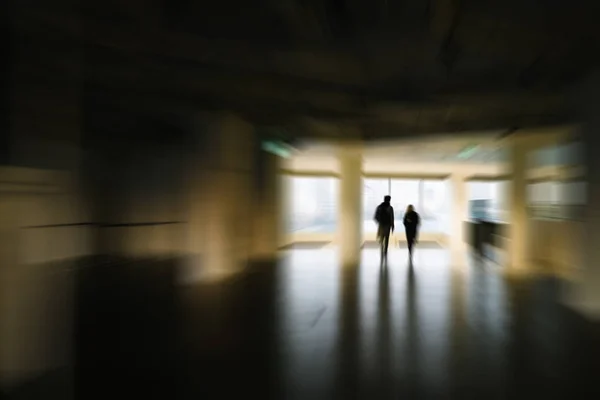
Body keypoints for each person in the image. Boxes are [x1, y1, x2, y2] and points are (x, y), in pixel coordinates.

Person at [374, 195, 395, 261]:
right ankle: (385, 250)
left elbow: (375, 217)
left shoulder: (379, 207)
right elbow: (392, 218)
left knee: (381, 237)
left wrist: (379, 222)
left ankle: (381, 249)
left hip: (381, 225)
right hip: (387, 225)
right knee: (386, 238)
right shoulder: (390, 208)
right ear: (389, 200)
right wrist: (392, 226)